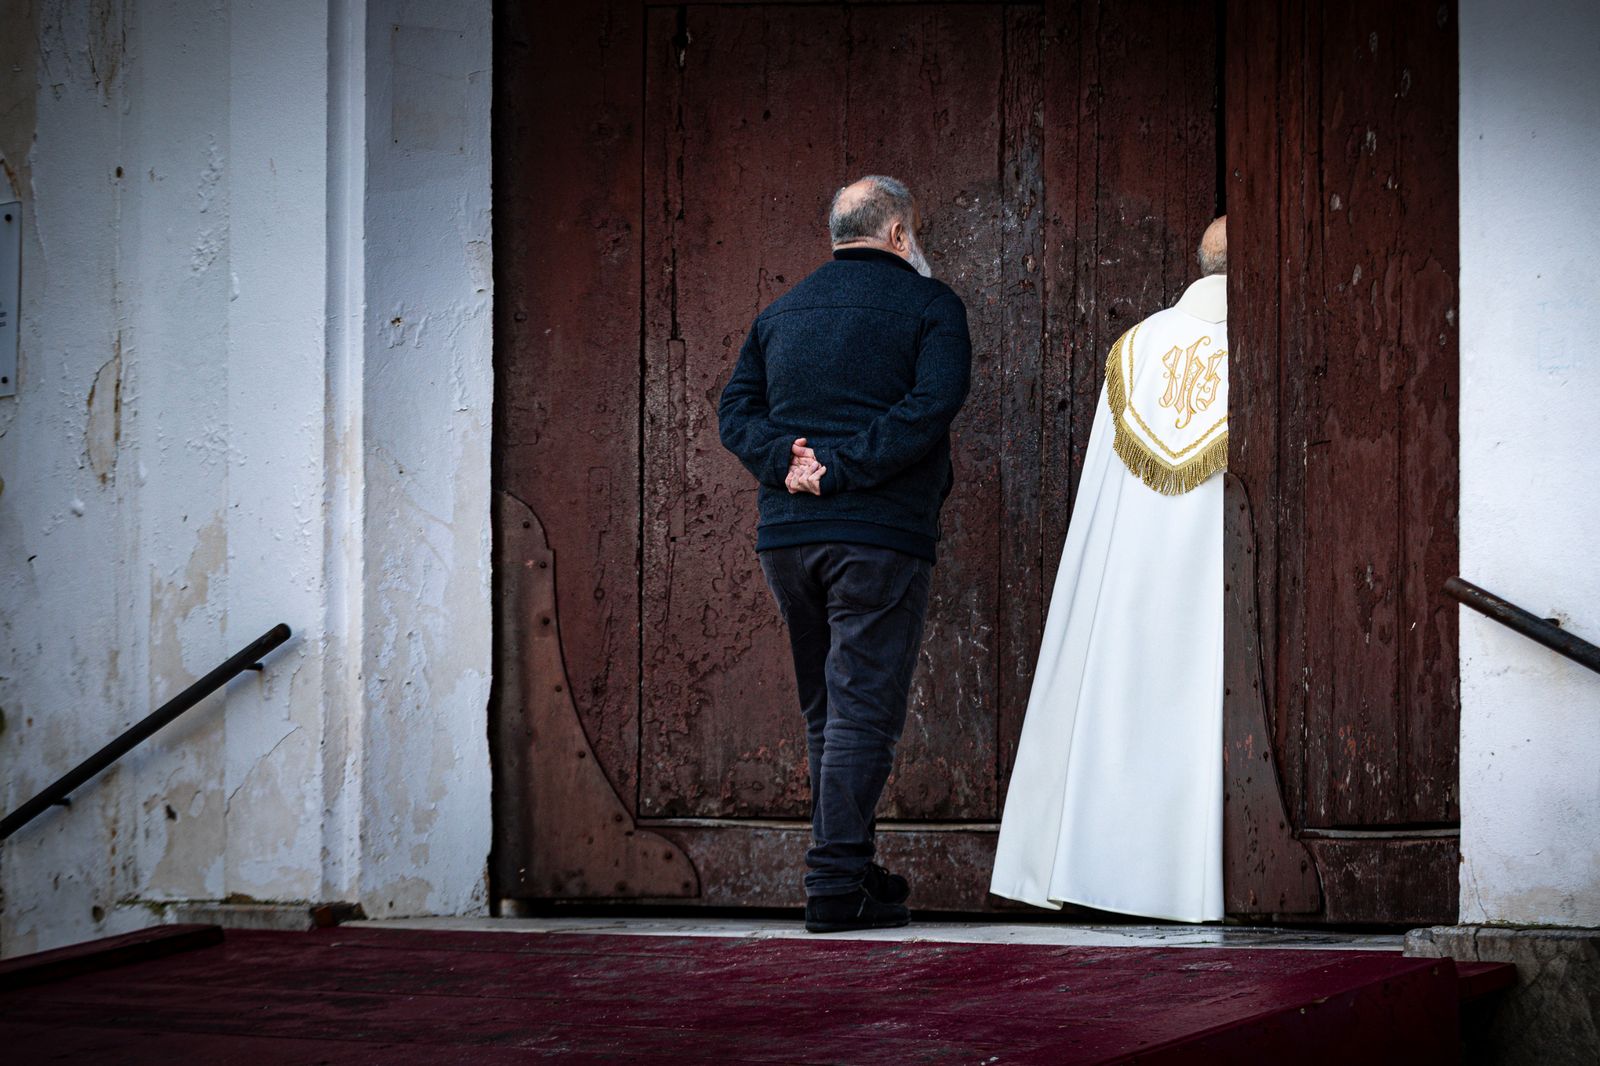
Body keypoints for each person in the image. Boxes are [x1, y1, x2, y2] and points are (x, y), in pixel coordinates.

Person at [717, 175, 972, 933]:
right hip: (877, 536)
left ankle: (852, 869)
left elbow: (736, 410)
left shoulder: (781, 311)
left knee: (828, 710)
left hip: (789, 540)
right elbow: (932, 404)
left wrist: (784, 461)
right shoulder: (931, 304)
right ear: (898, 233)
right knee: (861, 711)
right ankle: (832, 884)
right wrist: (842, 468)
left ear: (839, 233)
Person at [990, 217, 1231, 923]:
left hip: (1125, 567)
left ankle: (1097, 863)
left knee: (1112, 682)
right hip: (1215, 559)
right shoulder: (1264, 343)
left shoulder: (1137, 345)